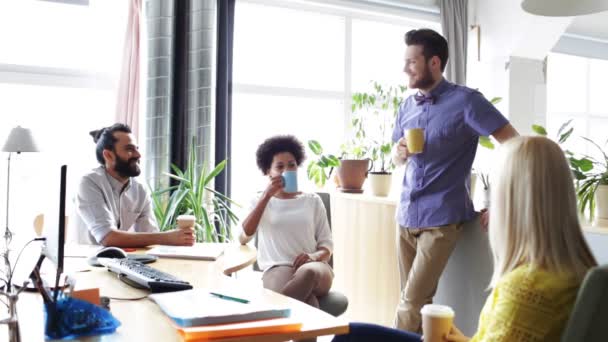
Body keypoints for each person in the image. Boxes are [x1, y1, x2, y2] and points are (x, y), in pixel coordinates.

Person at [334, 136, 598, 341]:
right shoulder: (579, 274)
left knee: (353, 336)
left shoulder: (526, 287)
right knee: (357, 333)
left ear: (512, 202)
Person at [391, 28, 519, 332]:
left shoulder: (467, 102)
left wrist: (498, 201)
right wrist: (398, 153)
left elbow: (515, 145)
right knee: (414, 304)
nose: (404, 68)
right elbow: (396, 157)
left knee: (410, 303)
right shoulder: (406, 106)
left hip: (442, 218)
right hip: (405, 215)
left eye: (411, 62)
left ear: (434, 63)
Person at [239, 135, 334, 309]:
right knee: (309, 304)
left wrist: (312, 257)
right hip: (277, 268)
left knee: (308, 272)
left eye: (291, 165)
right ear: (269, 171)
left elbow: (327, 246)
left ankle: (268, 325)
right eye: (279, 167)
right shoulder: (260, 200)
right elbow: (244, 237)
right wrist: (267, 196)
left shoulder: (312, 201)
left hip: (315, 268)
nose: (286, 171)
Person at [74, 123, 195, 247]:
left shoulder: (140, 190)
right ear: (108, 155)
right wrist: (168, 237)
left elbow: (150, 235)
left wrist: (178, 238)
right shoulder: (89, 182)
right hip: (86, 262)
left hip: (119, 260)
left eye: (137, 148)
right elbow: (108, 237)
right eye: (129, 149)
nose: (138, 155)